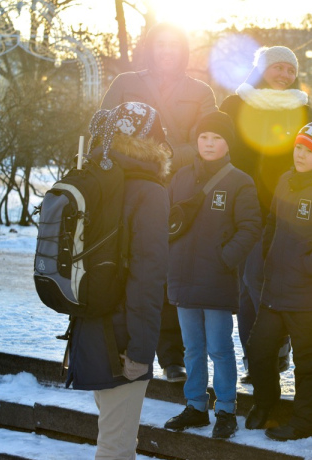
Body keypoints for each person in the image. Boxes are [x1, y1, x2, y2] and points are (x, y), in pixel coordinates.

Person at [101, 23, 219, 383]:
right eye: (160, 43)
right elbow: (103, 129)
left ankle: (172, 356)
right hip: (125, 187)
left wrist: (166, 155)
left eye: (174, 44)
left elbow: (206, 142)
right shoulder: (125, 82)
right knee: (122, 262)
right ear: (150, 47)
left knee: (168, 269)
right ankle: (117, 345)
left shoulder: (200, 91)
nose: (167, 50)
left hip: (178, 189)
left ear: (184, 50)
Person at [66, 102, 171, 459]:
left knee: (113, 435)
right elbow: (147, 276)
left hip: (88, 324)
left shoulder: (94, 179)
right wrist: (140, 351)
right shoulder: (149, 192)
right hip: (124, 336)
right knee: (116, 446)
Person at [245, 117, 312, 441]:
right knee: (259, 351)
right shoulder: (285, 181)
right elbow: (272, 223)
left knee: (308, 362)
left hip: (307, 296)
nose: (300, 155)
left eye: (309, 150)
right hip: (275, 290)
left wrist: (304, 265)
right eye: (299, 148)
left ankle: (305, 422)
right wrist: (267, 256)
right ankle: (266, 405)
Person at [220, 46, 312, 383]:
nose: (285, 75)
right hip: (243, 208)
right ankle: (258, 358)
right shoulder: (235, 105)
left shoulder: (303, 110)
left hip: (286, 210)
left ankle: (274, 350)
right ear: (262, 69)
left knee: (266, 282)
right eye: (278, 67)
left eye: (290, 70)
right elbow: (220, 149)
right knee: (248, 287)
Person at [163, 112, 261, 438]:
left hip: (217, 279)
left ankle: (226, 410)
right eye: (204, 136)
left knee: (219, 348)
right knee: (192, 348)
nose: (209, 143)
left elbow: (250, 227)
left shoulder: (239, 181)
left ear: (227, 143)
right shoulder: (180, 177)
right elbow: (166, 221)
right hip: (182, 277)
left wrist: (225, 259)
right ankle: (195, 407)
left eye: (216, 138)